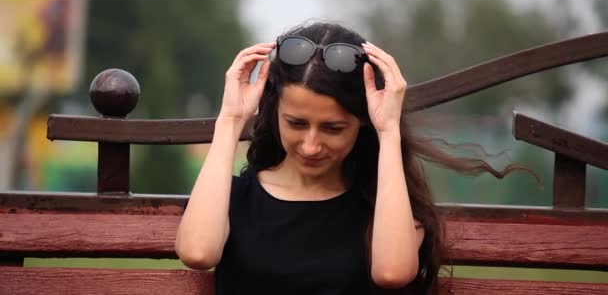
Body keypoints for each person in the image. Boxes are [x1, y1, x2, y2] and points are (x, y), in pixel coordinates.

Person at [175, 22, 524, 294]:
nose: (311, 145)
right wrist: (231, 121)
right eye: (296, 123)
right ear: (273, 111)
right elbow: (197, 253)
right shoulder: (235, 199)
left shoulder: (381, 208)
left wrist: (388, 131)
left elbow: (391, 272)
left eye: (333, 128)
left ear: (362, 123)